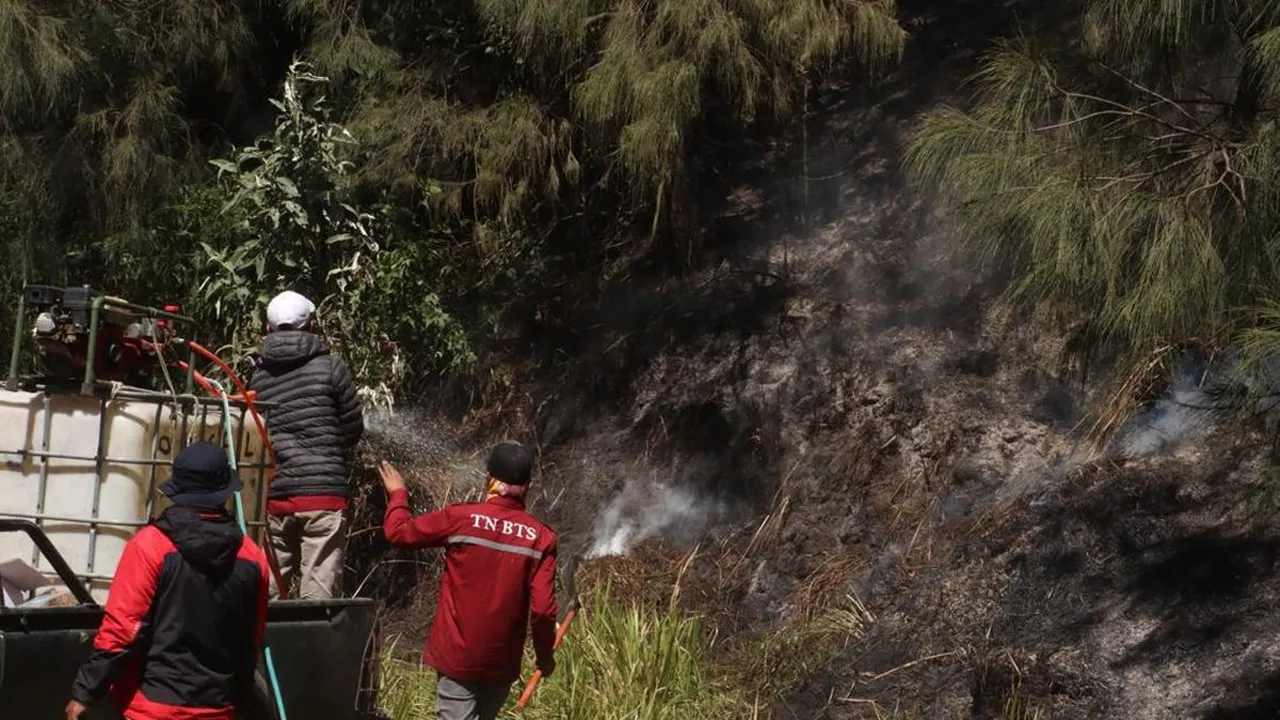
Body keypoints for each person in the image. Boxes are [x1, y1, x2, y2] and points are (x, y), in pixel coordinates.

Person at [65, 441, 271, 720]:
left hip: (154, 707)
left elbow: (123, 630)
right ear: (224, 493)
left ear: (177, 490)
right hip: (217, 708)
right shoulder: (252, 557)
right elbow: (251, 641)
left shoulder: (149, 547)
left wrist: (85, 693)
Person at [381, 441, 558, 720]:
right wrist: (544, 656)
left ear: (489, 479)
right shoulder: (541, 538)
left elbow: (399, 532)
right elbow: (543, 610)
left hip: (457, 658)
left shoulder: (461, 518)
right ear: (528, 485)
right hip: (501, 665)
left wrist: (398, 494)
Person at [250, 290, 364, 600]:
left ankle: (266, 648)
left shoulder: (258, 376)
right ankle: (312, 649)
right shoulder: (331, 367)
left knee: (268, 594)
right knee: (319, 596)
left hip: (275, 497)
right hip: (323, 497)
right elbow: (353, 428)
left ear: (267, 330)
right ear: (312, 327)